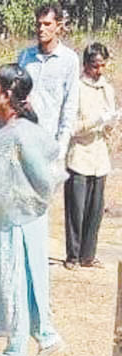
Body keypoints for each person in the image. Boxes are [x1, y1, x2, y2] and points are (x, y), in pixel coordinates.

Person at [0, 64, 64, 356]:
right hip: (2, 221)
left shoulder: (21, 133)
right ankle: (45, 335)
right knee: (16, 280)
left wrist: (22, 201)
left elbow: (45, 179)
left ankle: (16, 352)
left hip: (18, 222)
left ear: (7, 95)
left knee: (16, 282)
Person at [64, 42, 115, 270]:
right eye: (95, 66)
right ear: (86, 65)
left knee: (95, 211)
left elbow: (109, 124)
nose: (99, 70)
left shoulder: (107, 89)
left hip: (100, 157)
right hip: (79, 156)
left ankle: (88, 255)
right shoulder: (75, 88)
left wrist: (109, 123)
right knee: (76, 209)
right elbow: (70, 127)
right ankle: (73, 256)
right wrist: (95, 121)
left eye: (103, 65)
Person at [18, 3, 79, 161]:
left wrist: (62, 145)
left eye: (47, 24)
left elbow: (70, 105)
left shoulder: (69, 60)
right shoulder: (25, 57)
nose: (41, 29)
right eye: (38, 24)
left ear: (58, 26)